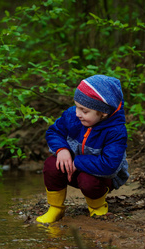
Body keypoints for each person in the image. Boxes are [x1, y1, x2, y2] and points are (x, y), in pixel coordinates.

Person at [36, 74, 129, 224]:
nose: (78, 113)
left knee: (88, 180)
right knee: (51, 165)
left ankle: (97, 208)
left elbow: (109, 166)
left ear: (103, 113)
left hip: (102, 176)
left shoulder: (116, 131)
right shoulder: (73, 115)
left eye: (84, 111)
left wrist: (77, 161)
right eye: (77, 106)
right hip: (74, 167)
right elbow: (54, 132)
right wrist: (62, 150)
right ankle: (56, 208)